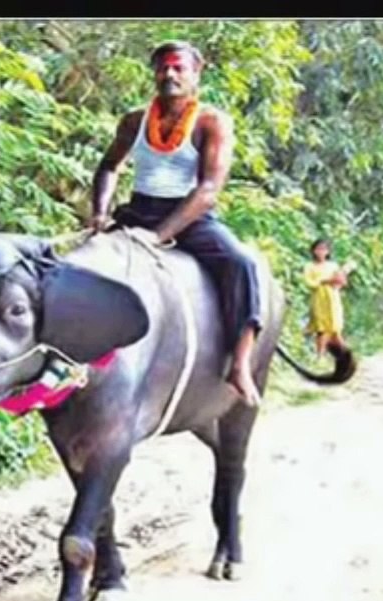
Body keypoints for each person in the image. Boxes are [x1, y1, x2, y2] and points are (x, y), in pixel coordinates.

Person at [86, 41, 264, 407]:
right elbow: (109, 167)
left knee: (242, 264)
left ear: (196, 74)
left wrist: (159, 236)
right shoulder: (135, 121)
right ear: (154, 73)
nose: (169, 74)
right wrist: (100, 214)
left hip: (189, 217)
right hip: (137, 211)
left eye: (178, 68)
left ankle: (241, 363)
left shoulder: (212, 122)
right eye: (163, 68)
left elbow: (209, 190)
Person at [303, 239, 352, 358]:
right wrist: (325, 281)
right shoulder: (309, 266)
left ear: (328, 252)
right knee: (322, 328)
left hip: (333, 299)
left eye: (323, 249)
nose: (320, 252)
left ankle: (343, 356)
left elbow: (341, 282)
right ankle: (320, 355)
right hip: (319, 300)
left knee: (335, 328)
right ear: (313, 251)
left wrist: (340, 278)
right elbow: (310, 283)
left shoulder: (333, 266)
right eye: (318, 249)